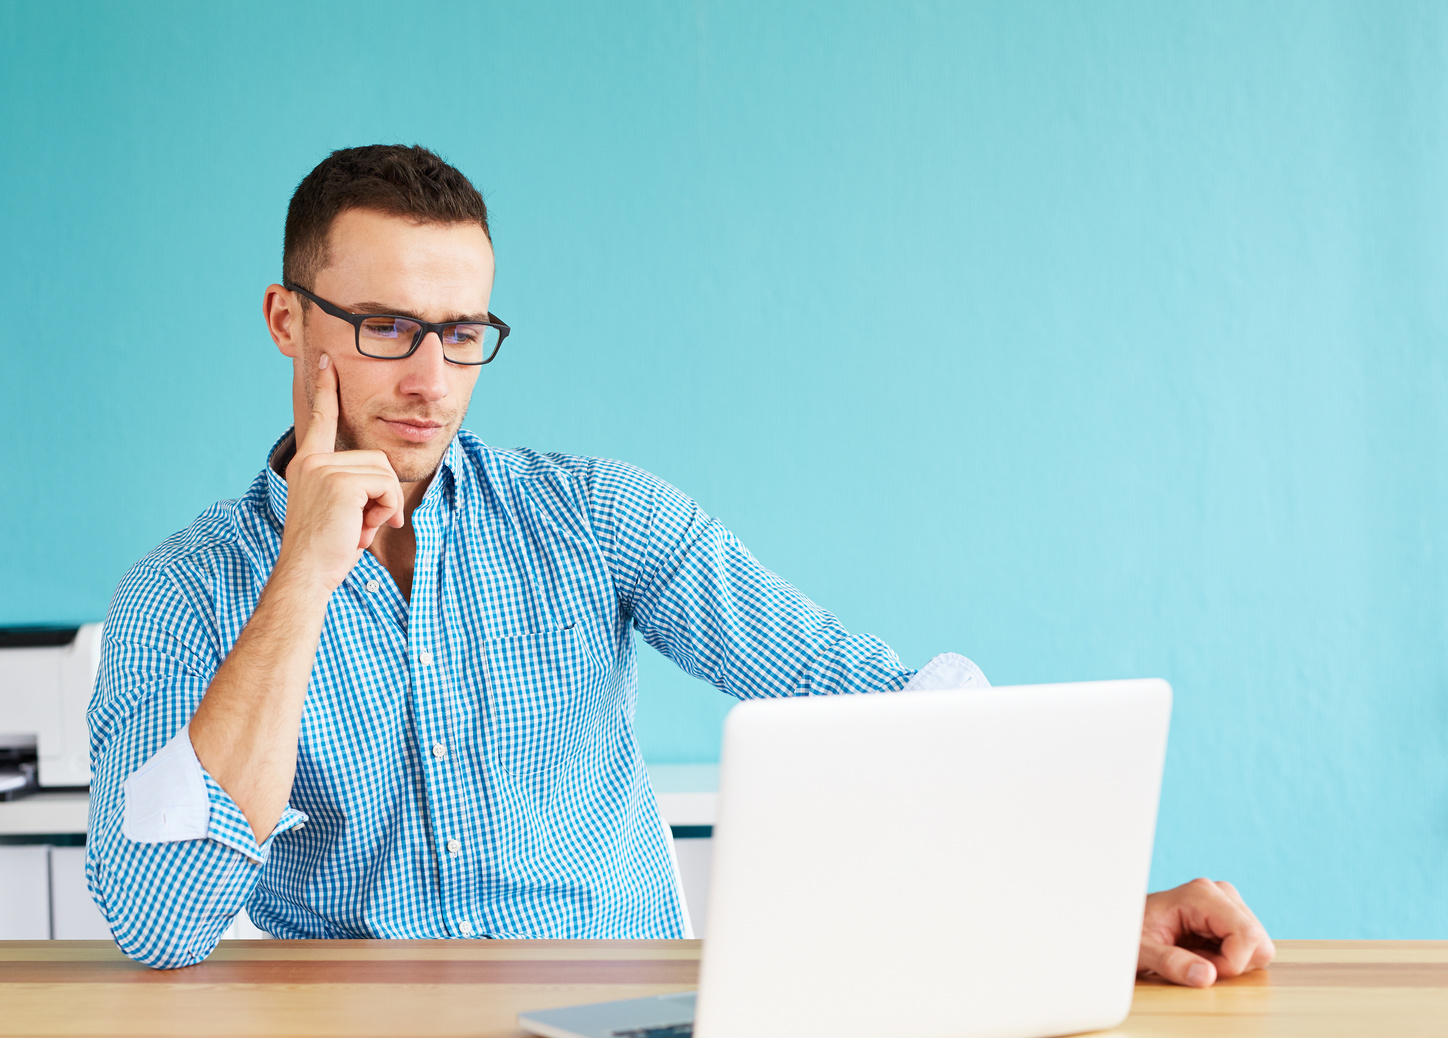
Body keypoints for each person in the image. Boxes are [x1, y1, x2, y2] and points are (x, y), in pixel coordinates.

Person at [86, 145, 1275, 986]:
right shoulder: (183, 594)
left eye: (461, 335)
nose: (429, 380)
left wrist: (1084, 904)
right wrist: (300, 576)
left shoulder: (599, 518)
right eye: (386, 327)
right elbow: (158, 920)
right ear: (288, 323)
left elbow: (872, 704)